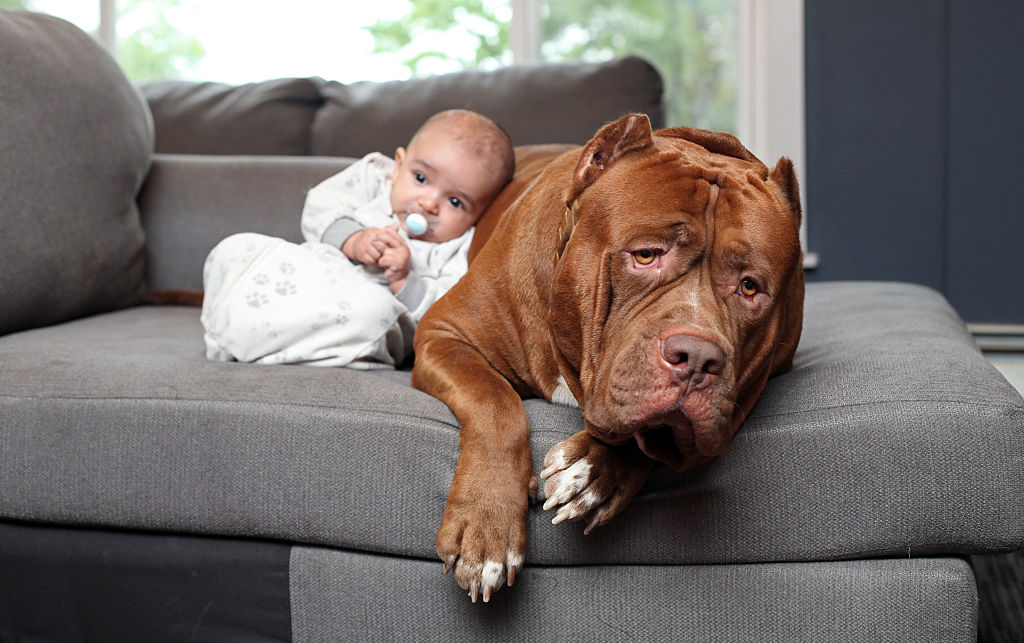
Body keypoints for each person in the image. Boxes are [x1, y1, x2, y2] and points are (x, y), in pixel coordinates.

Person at [200, 109, 515, 368]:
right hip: (311, 279)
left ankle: (257, 343)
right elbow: (320, 205)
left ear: (479, 214)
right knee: (237, 248)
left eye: (456, 202)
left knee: (373, 313)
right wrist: (353, 239)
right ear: (398, 165)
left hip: (357, 315)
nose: (430, 204)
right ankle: (235, 327)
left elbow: (449, 312)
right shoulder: (372, 179)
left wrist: (405, 280)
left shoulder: (457, 248)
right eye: (421, 178)